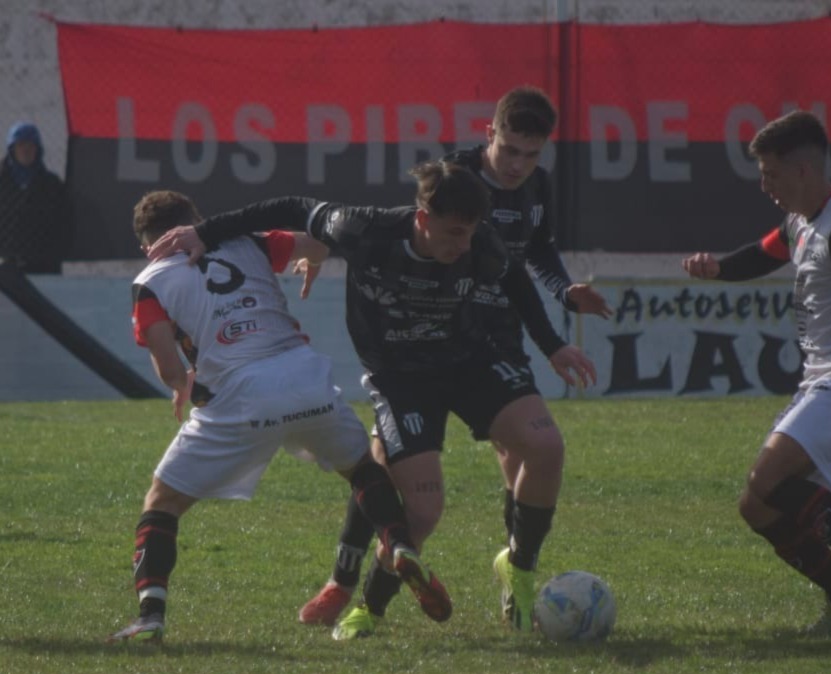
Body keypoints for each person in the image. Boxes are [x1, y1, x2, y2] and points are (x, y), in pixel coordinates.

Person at [146, 161, 596, 640]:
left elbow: (517, 283)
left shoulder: (478, 241)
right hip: (401, 379)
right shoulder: (364, 228)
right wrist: (206, 232)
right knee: (422, 513)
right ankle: (369, 606)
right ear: (423, 218)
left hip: (470, 362)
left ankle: (519, 569)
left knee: (546, 447)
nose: (464, 245)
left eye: (471, 234)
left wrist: (554, 345)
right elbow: (291, 206)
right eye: (454, 233)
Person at [299, 86, 613, 629]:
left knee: (527, 457)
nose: (517, 165)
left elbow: (531, 252)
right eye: (510, 150)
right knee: (383, 466)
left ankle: (517, 567)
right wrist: (323, 240)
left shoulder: (536, 189)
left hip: (496, 338)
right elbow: (399, 225)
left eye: (530, 154)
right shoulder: (457, 178)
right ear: (490, 134)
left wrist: (562, 294)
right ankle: (343, 583)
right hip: (433, 332)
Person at [108, 190, 451, 643]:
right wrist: (313, 257)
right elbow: (319, 242)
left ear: (145, 244)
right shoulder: (246, 242)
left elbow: (170, 368)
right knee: (363, 470)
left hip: (239, 397)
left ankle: (150, 617)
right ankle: (400, 543)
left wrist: (181, 386)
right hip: (304, 377)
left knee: (163, 502)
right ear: (195, 220)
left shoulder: (149, 281)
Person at [681, 110, 831, 637]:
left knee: (764, 479)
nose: (763, 184)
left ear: (801, 170)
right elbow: (763, 255)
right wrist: (717, 267)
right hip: (820, 381)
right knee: (756, 505)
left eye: (769, 173)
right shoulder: (801, 218)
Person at [0, 122, 70, 273]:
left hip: (43, 261)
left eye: (31, 145)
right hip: (7, 260)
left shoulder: (51, 184)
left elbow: (64, 220)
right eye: (21, 145)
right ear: (12, 149)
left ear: (38, 150)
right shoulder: (2, 181)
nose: (26, 150)